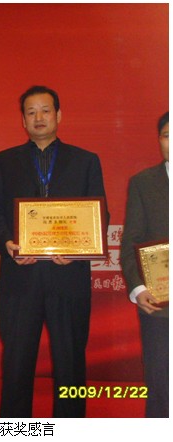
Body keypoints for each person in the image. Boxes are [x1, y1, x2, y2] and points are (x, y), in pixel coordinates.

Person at [0, 86, 109, 418]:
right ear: (23, 120)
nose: (39, 117)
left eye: (45, 110)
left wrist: (78, 251)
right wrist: (7, 243)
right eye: (31, 112)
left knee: (71, 364)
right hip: (20, 279)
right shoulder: (4, 162)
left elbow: (99, 216)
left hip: (69, 278)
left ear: (58, 115)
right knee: (16, 364)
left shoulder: (86, 161)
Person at [119, 111, 168, 418]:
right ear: (159, 140)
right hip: (160, 304)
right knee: (161, 389)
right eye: (167, 135)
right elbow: (131, 242)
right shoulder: (143, 183)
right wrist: (138, 289)